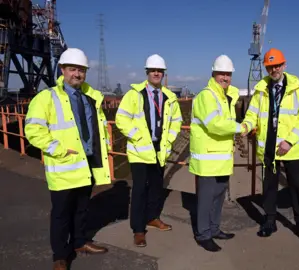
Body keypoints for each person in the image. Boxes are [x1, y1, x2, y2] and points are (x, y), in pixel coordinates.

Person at [24, 48, 111, 270]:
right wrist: (58, 149)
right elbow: (33, 130)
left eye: (81, 70)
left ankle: (80, 242)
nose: (77, 74)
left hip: (87, 164)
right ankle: (60, 256)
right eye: (73, 69)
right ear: (62, 70)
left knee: (82, 208)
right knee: (61, 214)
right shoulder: (47, 98)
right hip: (64, 166)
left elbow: (96, 128)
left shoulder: (90, 97)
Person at [241, 48, 299, 242]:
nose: (274, 70)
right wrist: (246, 126)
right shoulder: (261, 90)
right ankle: (269, 221)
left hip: (291, 147)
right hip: (269, 147)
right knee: (269, 186)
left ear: (284, 65)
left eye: (277, 65)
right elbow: (252, 114)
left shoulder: (297, 88)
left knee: (296, 185)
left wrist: (289, 140)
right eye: (270, 67)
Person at [115, 54, 182, 247]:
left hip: (159, 149)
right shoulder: (134, 95)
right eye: (153, 70)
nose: (156, 73)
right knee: (139, 190)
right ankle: (138, 229)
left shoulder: (169, 97)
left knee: (155, 187)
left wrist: (169, 140)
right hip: (139, 149)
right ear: (147, 72)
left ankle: (152, 217)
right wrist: (137, 136)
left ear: (163, 74)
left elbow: (177, 121)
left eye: (159, 71)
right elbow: (121, 119)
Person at [189, 55, 246, 252]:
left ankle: (214, 229)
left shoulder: (224, 97)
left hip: (221, 157)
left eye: (228, 74)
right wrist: (241, 128)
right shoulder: (207, 96)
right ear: (213, 74)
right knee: (205, 199)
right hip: (207, 158)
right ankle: (203, 235)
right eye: (222, 73)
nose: (225, 77)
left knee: (219, 196)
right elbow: (215, 125)